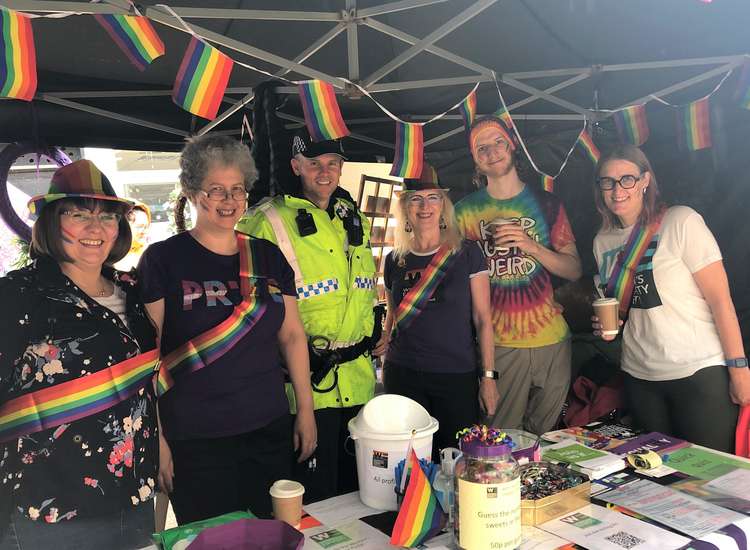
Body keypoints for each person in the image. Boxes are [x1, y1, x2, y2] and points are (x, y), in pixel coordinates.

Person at [137, 135, 316, 524]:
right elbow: (146, 357)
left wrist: (305, 410)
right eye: (216, 190)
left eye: (237, 189)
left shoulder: (267, 256)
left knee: (274, 535)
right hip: (195, 440)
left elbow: (291, 336)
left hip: (268, 428)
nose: (229, 200)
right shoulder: (163, 260)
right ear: (191, 192)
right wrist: (158, 438)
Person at [0, 160, 158, 549]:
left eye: (107, 216)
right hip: (53, 507)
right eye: (78, 214)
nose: (96, 228)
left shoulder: (133, 291)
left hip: (134, 496)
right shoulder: (18, 295)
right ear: (52, 223)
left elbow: (148, 390)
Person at [237, 129, 377, 503]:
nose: (324, 171)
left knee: (358, 498)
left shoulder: (351, 215)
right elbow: (248, 312)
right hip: (306, 391)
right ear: (296, 165)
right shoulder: (266, 221)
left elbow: (362, 285)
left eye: (333, 163)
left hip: (359, 384)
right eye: (314, 164)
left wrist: (379, 321)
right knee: (313, 505)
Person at [591, 144, 750, 452]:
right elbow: (626, 308)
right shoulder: (602, 242)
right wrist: (607, 326)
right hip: (640, 376)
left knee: (711, 477)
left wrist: (739, 369)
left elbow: (720, 301)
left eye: (627, 179)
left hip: (698, 371)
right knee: (656, 478)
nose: (617, 190)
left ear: (645, 180)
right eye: (607, 182)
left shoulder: (680, 222)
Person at [455, 115, 582, 435]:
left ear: (512, 145)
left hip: (552, 341)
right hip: (498, 345)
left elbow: (574, 268)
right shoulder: (464, 211)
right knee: (498, 441)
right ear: (475, 159)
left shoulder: (547, 203)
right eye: (481, 148)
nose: (492, 152)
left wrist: (532, 246)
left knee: (545, 442)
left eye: (498, 142)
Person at [373, 165, 496, 456]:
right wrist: (384, 336)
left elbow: (483, 319)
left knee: (456, 460)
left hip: (455, 375)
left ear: (444, 205)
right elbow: (393, 314)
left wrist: (489, 377)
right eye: (416, 198)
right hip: (403, 373)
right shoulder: (394, 260)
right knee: (407, 462)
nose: (425, 206)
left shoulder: (467, 253)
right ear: (405, 207)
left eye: (433, 197)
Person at [115, 201, 151, 271]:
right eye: (140, 227)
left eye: (146, 227)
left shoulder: (149, 254)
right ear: (125, 227)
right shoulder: (113, 256)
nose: (145, 231)